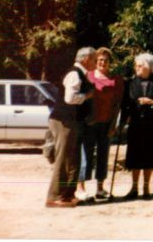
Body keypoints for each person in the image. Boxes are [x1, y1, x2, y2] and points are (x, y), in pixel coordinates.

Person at [45, 47, 96, 208]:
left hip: (72, 122)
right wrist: (87, 96)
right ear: (86, 59)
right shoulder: (75, 74)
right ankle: (54, 196)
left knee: (73, 158)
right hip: (64, 121)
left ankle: (67, 195)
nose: (95, 63)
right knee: (64, 158)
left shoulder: (82, 74)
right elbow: (70, 98)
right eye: (94, 59)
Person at [77, 47, 124, 201]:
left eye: (106, 60)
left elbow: (117, 105)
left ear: (110, 62)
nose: (102, 63)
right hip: (90, 122)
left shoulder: (116, 80)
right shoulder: (88, 76)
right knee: (86, 155)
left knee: (103, 155)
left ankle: (100, 188)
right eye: (100, 60)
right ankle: (81, 188)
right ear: (95, 61)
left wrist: (114, 125)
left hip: (106, 123)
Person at [121, 52, 153, 200]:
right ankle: (134, 188)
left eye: (140, 65)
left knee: (150, 156)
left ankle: (146, 188)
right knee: (134, 156)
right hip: (135, 123)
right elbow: (125, 104)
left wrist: (152, 102)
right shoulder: (130, 83)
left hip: (152, 124)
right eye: (136, 65)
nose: (137, 68)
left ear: (149, 67)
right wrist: (122, 122)